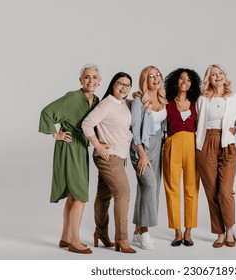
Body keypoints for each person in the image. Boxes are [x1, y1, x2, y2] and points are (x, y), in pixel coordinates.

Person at [39, 64, 101, 254]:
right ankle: (75, 240)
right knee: (81, 195)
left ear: (100, 81)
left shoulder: (97, 100)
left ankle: (65, 237)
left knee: (74, 196)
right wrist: (55, 135)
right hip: (69, 146)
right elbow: (46, 112)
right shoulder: (72, 97)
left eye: (94, 77)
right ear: (80, 80)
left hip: (81, 147)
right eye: (86, 77)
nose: (90, 80)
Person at [82, 72, 136, 253]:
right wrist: (98, 145)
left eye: (127, 85)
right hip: (108, 156)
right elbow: (87, 124)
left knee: (104, 196)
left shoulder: (123, 104)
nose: (123, 88)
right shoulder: (106, 104)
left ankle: (100, 233)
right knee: (123, 192)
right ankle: (122, 238)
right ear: (113, 84)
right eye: (120, 83)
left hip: (119, 156)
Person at [195, 64, 236, 248]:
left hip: (227, 145)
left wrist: (234, 129)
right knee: (212, 192)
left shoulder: (234, 98)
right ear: (209, 79)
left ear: (225, 76)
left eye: (220, 73)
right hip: (206, 144)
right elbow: (199, 122)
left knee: (225, 192)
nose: (217, 76)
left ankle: (230, 229)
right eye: (213, 74)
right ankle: (220, 233)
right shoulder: (203, 98)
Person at [163, 68, 201, 247]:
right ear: (175, 82)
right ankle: (177, 230)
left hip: (192, 146)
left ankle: (189, 230)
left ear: (192, 83)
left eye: (188, 79)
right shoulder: (167, 103)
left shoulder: (196, 103)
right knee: (172, 188)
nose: (184, 81)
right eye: (181, 78)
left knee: (191, 188)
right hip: (172, 145)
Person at [130, 66, 167, 250]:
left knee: (149, 188)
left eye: (158, 75)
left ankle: (137, 232)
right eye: (150, 76)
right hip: (142, 147)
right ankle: (144, 232)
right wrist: (142, 155)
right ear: (145, 80)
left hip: (158, 146)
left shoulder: (162, 99)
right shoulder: (139, 101)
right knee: (149, 186)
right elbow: (135, 132)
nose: (155, 78)